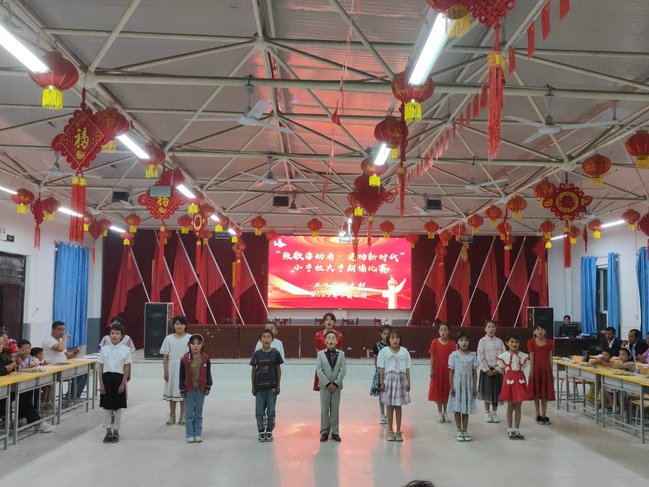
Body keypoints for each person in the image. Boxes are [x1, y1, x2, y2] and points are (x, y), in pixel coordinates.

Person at [0, 335, 54, 433]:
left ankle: (25, 418)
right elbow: (3, 369)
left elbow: (7, 366)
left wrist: (12, 365)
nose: (3, 345)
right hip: (2, 389)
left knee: (27, 392)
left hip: (5, 385)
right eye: (1, 344)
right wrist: (7, 368)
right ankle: (37, 422)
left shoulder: (2, 355)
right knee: (22, 397)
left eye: (2, 343)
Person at [99, 323, 132, 443]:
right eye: (112, 333)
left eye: (117, 333)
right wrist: (101, 384)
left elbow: (126, 367)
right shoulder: (104, 350)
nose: (114, 335)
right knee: (107, 407)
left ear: (122, 336)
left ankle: (116, 431)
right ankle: (108, 431)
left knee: (117, 407)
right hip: (106, 378)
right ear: (109, 335)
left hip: (118, 378)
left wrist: (123, 383)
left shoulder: (126, 350)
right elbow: (101, 367)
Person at [251, 329, 284, 442]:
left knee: (271, 411)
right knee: (259, 411)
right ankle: (261, 431)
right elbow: (253, 370)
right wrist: (253, 386)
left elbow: (278, 369)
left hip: (272, 388)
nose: (266, 339)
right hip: (259, 388)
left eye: (268, 337)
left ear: (272, 339)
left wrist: (278, 385)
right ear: (260, 340)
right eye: (264, 337)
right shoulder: (256, 354)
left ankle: (269, 430)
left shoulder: (276, 353)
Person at [378, 329, 411, 442]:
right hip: (389, 380)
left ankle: (398, 431)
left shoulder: (404, 352)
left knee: (398, 406)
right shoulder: (384, 352)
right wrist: (381, 382)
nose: (395, 340)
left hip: (401, 380)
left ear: (400, 339)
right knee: (389, 406)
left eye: (397, 337)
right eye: (392, 338)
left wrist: (408, 382)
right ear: (388, 340)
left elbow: (407, 368)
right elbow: (381, 368)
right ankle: (390, 431)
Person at [179, 334, 212, 443]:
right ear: (189, 345)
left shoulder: (205, 358)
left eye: (198, 344)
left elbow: (208, 374)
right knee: (189, 413)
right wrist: (182, 388)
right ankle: (189, 434)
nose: (195, 346)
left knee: (198, 412)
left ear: (202, 345)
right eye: (193, 344)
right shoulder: (184, 359)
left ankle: (197, 433)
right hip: (189, 389)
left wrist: (208, 386)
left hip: (201, 389)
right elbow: (181, 375)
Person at [41, 321, 86, 400]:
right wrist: (65, 337)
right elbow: (60, 348)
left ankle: (74, 396)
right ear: (53, 330)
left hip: (63, 367)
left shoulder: (60, 341)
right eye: (59, 329)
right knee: (80, 375)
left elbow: (66, 355)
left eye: (63, 330)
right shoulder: (49, 340)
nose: (62, 332)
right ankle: (69, 398)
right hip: (53, 369)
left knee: (84, 374)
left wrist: (74, 352)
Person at [447, 331, 478, 442]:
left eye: (466, 340)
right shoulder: (454, 356)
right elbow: (451, 372)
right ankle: (459, 430)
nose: (464, 342)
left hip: (468, 386)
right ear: (457, 342)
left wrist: (474, 387)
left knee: (465, 409)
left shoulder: (472, 356)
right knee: (457, 408)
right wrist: (452, 387)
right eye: (461, 340)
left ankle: (465, 430)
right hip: (457, 385)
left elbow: (474, 373)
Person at [498, 334, 530, 440]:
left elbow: (523, 367)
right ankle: (510, 428)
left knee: (518, 406)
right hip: (509, 381)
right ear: (507, 343)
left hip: (520, 380)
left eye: (516, 342)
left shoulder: (523, 356)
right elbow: (502, 370)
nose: (514, 344)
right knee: (510, 406)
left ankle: (517, 428)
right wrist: (507, 379)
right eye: (512, 342)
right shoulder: (504, 356)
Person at [316, 330, 347, 442]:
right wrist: (328, 383)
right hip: (324, 386)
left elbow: (343, 370)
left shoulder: (341, 354)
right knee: (324, 409)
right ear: (325, 341)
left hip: (336, 386)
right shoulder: (320, 354)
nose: (331, 340)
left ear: (337, 341)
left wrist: (336, 383)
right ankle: (324, 432)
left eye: (333, 338)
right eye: (328, 338)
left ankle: (335, 432)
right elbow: (319, 370)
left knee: (335, 409)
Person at [160, 315, 189, 426]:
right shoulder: (168, 339)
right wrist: (165, 371)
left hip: (185, 367)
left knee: (183, 392)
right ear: (173, 326)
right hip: (172, 368)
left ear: (185, 325)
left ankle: (183, 416)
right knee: (172, 392)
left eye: (181, 324)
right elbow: (165, 357)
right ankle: (172, 416)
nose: (179, 326)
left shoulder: (189, 338)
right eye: (177, 324)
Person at [477, 320, 505, 424]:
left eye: (493, 327)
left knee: (496, 392)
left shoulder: (500, 342)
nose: (491, 329)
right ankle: (487, 412)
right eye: (489, 327)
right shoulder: (482, 341)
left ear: (495, 329)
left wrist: (498, 369)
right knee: (486, 392)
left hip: (497, 371)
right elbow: (480, 356)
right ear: (485, 329)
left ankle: (494, 412)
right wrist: (487, 370)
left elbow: (503, 356)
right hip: (486, 371)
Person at [527, 324, 555, 425]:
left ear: (545, 331)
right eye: (538, 329)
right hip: (536, 369)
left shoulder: (549, 342)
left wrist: (551, 371)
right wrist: (531, 369)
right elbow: (532, 357)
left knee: (544, 392)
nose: (540, 331)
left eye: (542, 329)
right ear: (534, 331)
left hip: (545, 370)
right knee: (536, 392)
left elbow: (550, 357)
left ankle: (544, 414)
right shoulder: (531, 342)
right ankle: (537, 414)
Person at [428, 322, 456, 423]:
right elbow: (432, 357)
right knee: (438, 392)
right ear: (439, 331)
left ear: (449, 332)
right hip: (437, 370)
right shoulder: (435, 342)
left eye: (445, 330)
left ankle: (446, 412)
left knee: (447, 392)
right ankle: (440, 413)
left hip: (448, 371)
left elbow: (454, 358)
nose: (443, 332)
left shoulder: (452, 344)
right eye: (441, 330)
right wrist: (431, 370)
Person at [313, 313, 343, 391]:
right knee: (323, 389)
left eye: (331, 319)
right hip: (323, 365)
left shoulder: (339, 335)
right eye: (326, 320)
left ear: (334, 322)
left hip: (335, 365)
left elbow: (340, 350)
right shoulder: (318, 335)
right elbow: (317, 349)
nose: (329, 322)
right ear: (323, 322)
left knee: (335, 389)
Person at [370, 324, 392, 424]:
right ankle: (382, 414)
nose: (386, 336)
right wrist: (378, 370)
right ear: (381, 334)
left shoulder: (393, 345)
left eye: (388, 334)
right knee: (382, 393)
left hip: (391, 372)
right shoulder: (377, 345)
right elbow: (376, 359)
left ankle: (388, 413)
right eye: (384, 333)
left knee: (389, 393)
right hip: (381, 372)